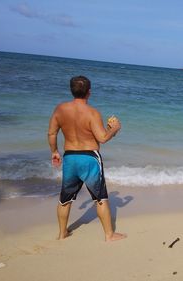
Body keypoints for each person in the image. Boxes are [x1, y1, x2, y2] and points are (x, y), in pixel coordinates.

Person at [47, 75, 126, 242]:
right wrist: (114, 129)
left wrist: (54, 151)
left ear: (71, 90)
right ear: (89, 92)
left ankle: (62, 234)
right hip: (90, 158)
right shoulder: (92, 113)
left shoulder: (60, 109)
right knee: (101, 198)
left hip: (70, 158)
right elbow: (103, 138)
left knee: (65, 199)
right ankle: (109, 235)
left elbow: (52, 133)